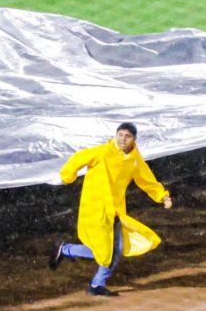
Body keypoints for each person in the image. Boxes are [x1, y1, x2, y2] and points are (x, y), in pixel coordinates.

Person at [51, 123, 172, 294]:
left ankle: (70, 254)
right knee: (108, 250)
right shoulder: (101, 152)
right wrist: (67, 177)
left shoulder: (134, 160)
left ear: (134, 140)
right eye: (120, 134)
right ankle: (93, 281)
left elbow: (147, 180)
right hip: (95, 208)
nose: (123, 138)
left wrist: (162, 196)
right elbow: (78, 158)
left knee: (109, 249)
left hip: (115, 211)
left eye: (127, 136)